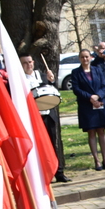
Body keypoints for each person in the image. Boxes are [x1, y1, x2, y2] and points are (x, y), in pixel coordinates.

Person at [20, 53, 69, 183]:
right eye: (24, 63)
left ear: (33, 62)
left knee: (53, 144)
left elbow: (51, 92)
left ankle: (59, 172)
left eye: (30, 62)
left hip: (48, 115)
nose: (28, 65)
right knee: (37, 147)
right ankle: (43, 174)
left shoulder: (42, 75)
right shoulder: (19, 80)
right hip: (33, 119)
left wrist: (52, 81)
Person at [70, 49, 105, 171]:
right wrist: (90, 97)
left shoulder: (98, 70)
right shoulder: (76, 72)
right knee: (92, 132)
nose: (85, 59)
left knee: (102, 131)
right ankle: (97, 160)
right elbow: (76, 89)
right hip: (86, 105)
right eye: (82, 57)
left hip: (100, 103)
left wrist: (97, 96)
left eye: (87, 56)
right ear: (79, 59)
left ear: (91, 58)